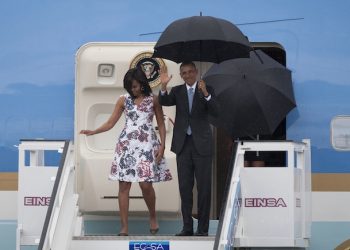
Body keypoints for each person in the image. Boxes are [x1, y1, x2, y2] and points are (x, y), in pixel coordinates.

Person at [80, 68, 172, 236]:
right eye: (130, 87)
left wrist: (162, 147)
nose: (133, 90)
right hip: (126, 146)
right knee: (124, 186)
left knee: (145, 185)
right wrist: (93, 131)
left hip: (147, 146)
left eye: (136, 86)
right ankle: (124, 227)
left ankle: (152, 216)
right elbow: (110, 123)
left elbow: (161, 123)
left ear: (143, 84)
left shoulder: (154, 100)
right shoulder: (123, 100)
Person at [159, 62, 218, 236]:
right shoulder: (177, 91)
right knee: (185, 188)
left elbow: (216, 110)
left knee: (204, 189)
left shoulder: (207, 88)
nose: (187, 75)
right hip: (183, 145)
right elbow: (164, 101)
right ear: (181, 75)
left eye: (190, 72)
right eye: (183, 73)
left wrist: (206, 93)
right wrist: (163, 85)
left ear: (196, 72)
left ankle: (203, 230)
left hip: (202, 145)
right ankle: (187, 228)